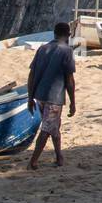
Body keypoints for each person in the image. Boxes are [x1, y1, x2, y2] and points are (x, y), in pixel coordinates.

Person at [27, 22, 77, 169]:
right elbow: (69, 79)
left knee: (53, 126)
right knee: (47, 129)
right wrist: (73, 102)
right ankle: (33, 162)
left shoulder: (42, 49)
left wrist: (30, 98)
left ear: (54, 34)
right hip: (54, 97)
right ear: (68, 35)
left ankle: (59, 157)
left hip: (39, 95)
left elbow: (31, 75)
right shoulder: (67, 51)